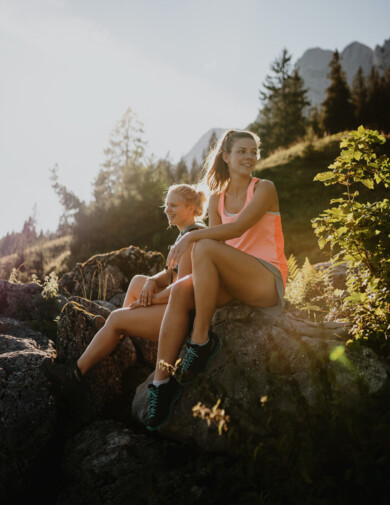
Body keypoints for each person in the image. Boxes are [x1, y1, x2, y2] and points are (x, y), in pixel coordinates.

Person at [145, 129, 288, 430]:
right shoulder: (216, 200)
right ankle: (161, 382)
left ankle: (200, 340)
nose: (249, 157)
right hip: (235, 279)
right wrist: (195, 245)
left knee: (203, 244)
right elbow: (218, 250)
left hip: (265, 279)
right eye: (242, 152)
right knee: (182, 291)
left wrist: (192, 237)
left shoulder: (265, 188)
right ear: (226, 157)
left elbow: (236, 231)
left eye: (253, 152)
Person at [43, 183, 207, 402]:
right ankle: (116, 334)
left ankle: (74, 375)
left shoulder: (193, 238)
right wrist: (151, 282)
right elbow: (172, 274)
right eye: (166, 205)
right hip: (180, 303)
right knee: (139, 280)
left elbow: (184, 288)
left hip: (185, 316)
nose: (167, 210)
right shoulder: (188, 233)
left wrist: (150, 300)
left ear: (190, 208)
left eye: (173, 205)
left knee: (117, 317)